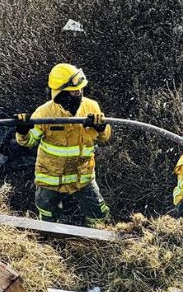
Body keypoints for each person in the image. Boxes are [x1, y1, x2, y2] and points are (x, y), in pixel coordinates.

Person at [15, 63, 112, 227]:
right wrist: (23, 131)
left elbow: (104, 137)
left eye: (80, 89)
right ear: (61, 93)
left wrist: (102, 127)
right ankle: (49, 243)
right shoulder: (44, 113)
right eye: (74, 91)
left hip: (83, 177)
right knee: (47, 218)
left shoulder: (91, 107)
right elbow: (29, 141)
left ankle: (97, 243)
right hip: (50, 179)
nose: (78, 93)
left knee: (99, 216)